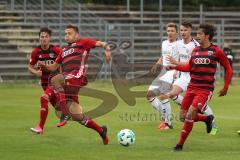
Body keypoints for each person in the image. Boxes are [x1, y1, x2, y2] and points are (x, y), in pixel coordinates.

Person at [38, 24, 111, 145]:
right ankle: (101, 130)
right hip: (67, 82)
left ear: (76, 34)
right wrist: (44, 65)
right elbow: (53, 67)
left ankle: (64, 114)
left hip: (77, 76)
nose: (66, 36)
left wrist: (107, 50)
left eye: (69, 33)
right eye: (65, 34)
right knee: (78, 116)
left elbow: (103, 43)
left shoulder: (84, 42)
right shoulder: (63, 51)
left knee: (55, 80)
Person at [167, 23, 232, 151]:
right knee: (182, 116)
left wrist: (225, 87)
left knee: (190, 114)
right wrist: (174, 67)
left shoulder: (216, 51)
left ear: (207, 36)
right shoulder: (195, 50)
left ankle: (179, 145)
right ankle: (207, 118)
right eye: (197, 34)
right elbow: (188, 67)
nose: (197, 36)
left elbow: (228, 68)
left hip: (204, 90)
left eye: (200, 34)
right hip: (192, 87)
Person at [162, 21, 218, 135]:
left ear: (190, 31)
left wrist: (175, 63)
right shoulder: (178, 44)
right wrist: (175, 70)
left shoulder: (196, 45)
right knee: (172, 94)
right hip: (183, 76)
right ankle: (193, 111)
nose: (183, 32)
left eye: (185, 30)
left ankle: (213, 123)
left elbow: (198, 63)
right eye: (181, 30)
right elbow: (177, 59)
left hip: (195, 77)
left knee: (201, 107)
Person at [28, 27, 64, 134]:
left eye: (46, 37)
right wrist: (36, 72)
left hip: (54, 82)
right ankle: (75, 112)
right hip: (44, 83)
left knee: (43, 99)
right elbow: (29, 66)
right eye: (42, 37)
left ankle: (40, 127)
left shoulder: (56, 51)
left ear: (50, 38)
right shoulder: (36, 52)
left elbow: (63, 62)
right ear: (39, 38)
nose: (43, 39)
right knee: (58, 107)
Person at [146, 22, 178, 130]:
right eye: (168, 31)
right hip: (163, 72)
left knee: (163, 95)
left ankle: (168, 123)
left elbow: (182, 59)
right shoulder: (164, 43)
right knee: (149, 95)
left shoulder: (179, 45)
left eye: (172, 31)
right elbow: (163, 56)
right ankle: (165, 117)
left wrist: (176, 71)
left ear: (176, 33)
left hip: (172, 71)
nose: (170, 33)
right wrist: (157, 64)